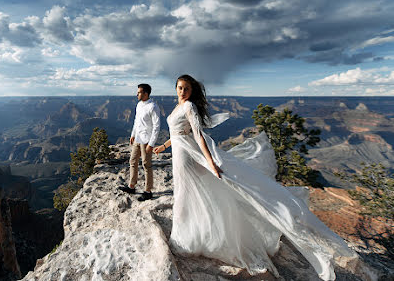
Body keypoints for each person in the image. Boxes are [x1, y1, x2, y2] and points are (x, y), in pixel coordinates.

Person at [153, 74, 357, 281]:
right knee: (185, 193)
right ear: (175, 88)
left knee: (185, 195)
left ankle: (184, 240)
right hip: (178, 152)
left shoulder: (189, 107)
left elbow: (197, 134)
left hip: (188, 156)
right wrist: (164, 146)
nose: (182, 91)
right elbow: (180, 133)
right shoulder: (178, 106)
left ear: (191, 90)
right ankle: (191, 234)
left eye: (186, 88)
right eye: (180, 87)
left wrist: (210, 161)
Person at [119, 83, 160, 201]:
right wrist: (132, 134)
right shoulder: (139, 105)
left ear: (146, 93)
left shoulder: (153, 107)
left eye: (139, 92)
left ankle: (148, 191)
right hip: (137, 138)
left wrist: (151, 144)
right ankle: (132, 186)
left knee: (146, 165)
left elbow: (157, 127)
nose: (137, 94)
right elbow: (136, 121)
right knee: (133, 161)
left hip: (146, 140)